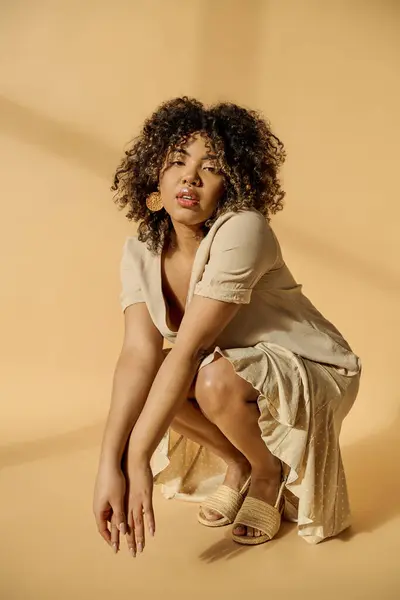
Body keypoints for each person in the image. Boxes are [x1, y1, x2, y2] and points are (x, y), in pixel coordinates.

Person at [93, 97, 361, 556]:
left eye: (211, 167)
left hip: (310, 368)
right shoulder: (141, 248)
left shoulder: (243, 230)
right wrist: (109, 465)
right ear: (154, 173)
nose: (190, 176)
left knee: (210, 377)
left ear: (233, 184)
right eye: (177, 161)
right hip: (228, 366)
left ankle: (266, 473)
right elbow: (137, 355)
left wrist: (138, 459)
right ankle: (240, 463)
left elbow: (191, 350)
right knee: (153, 376)